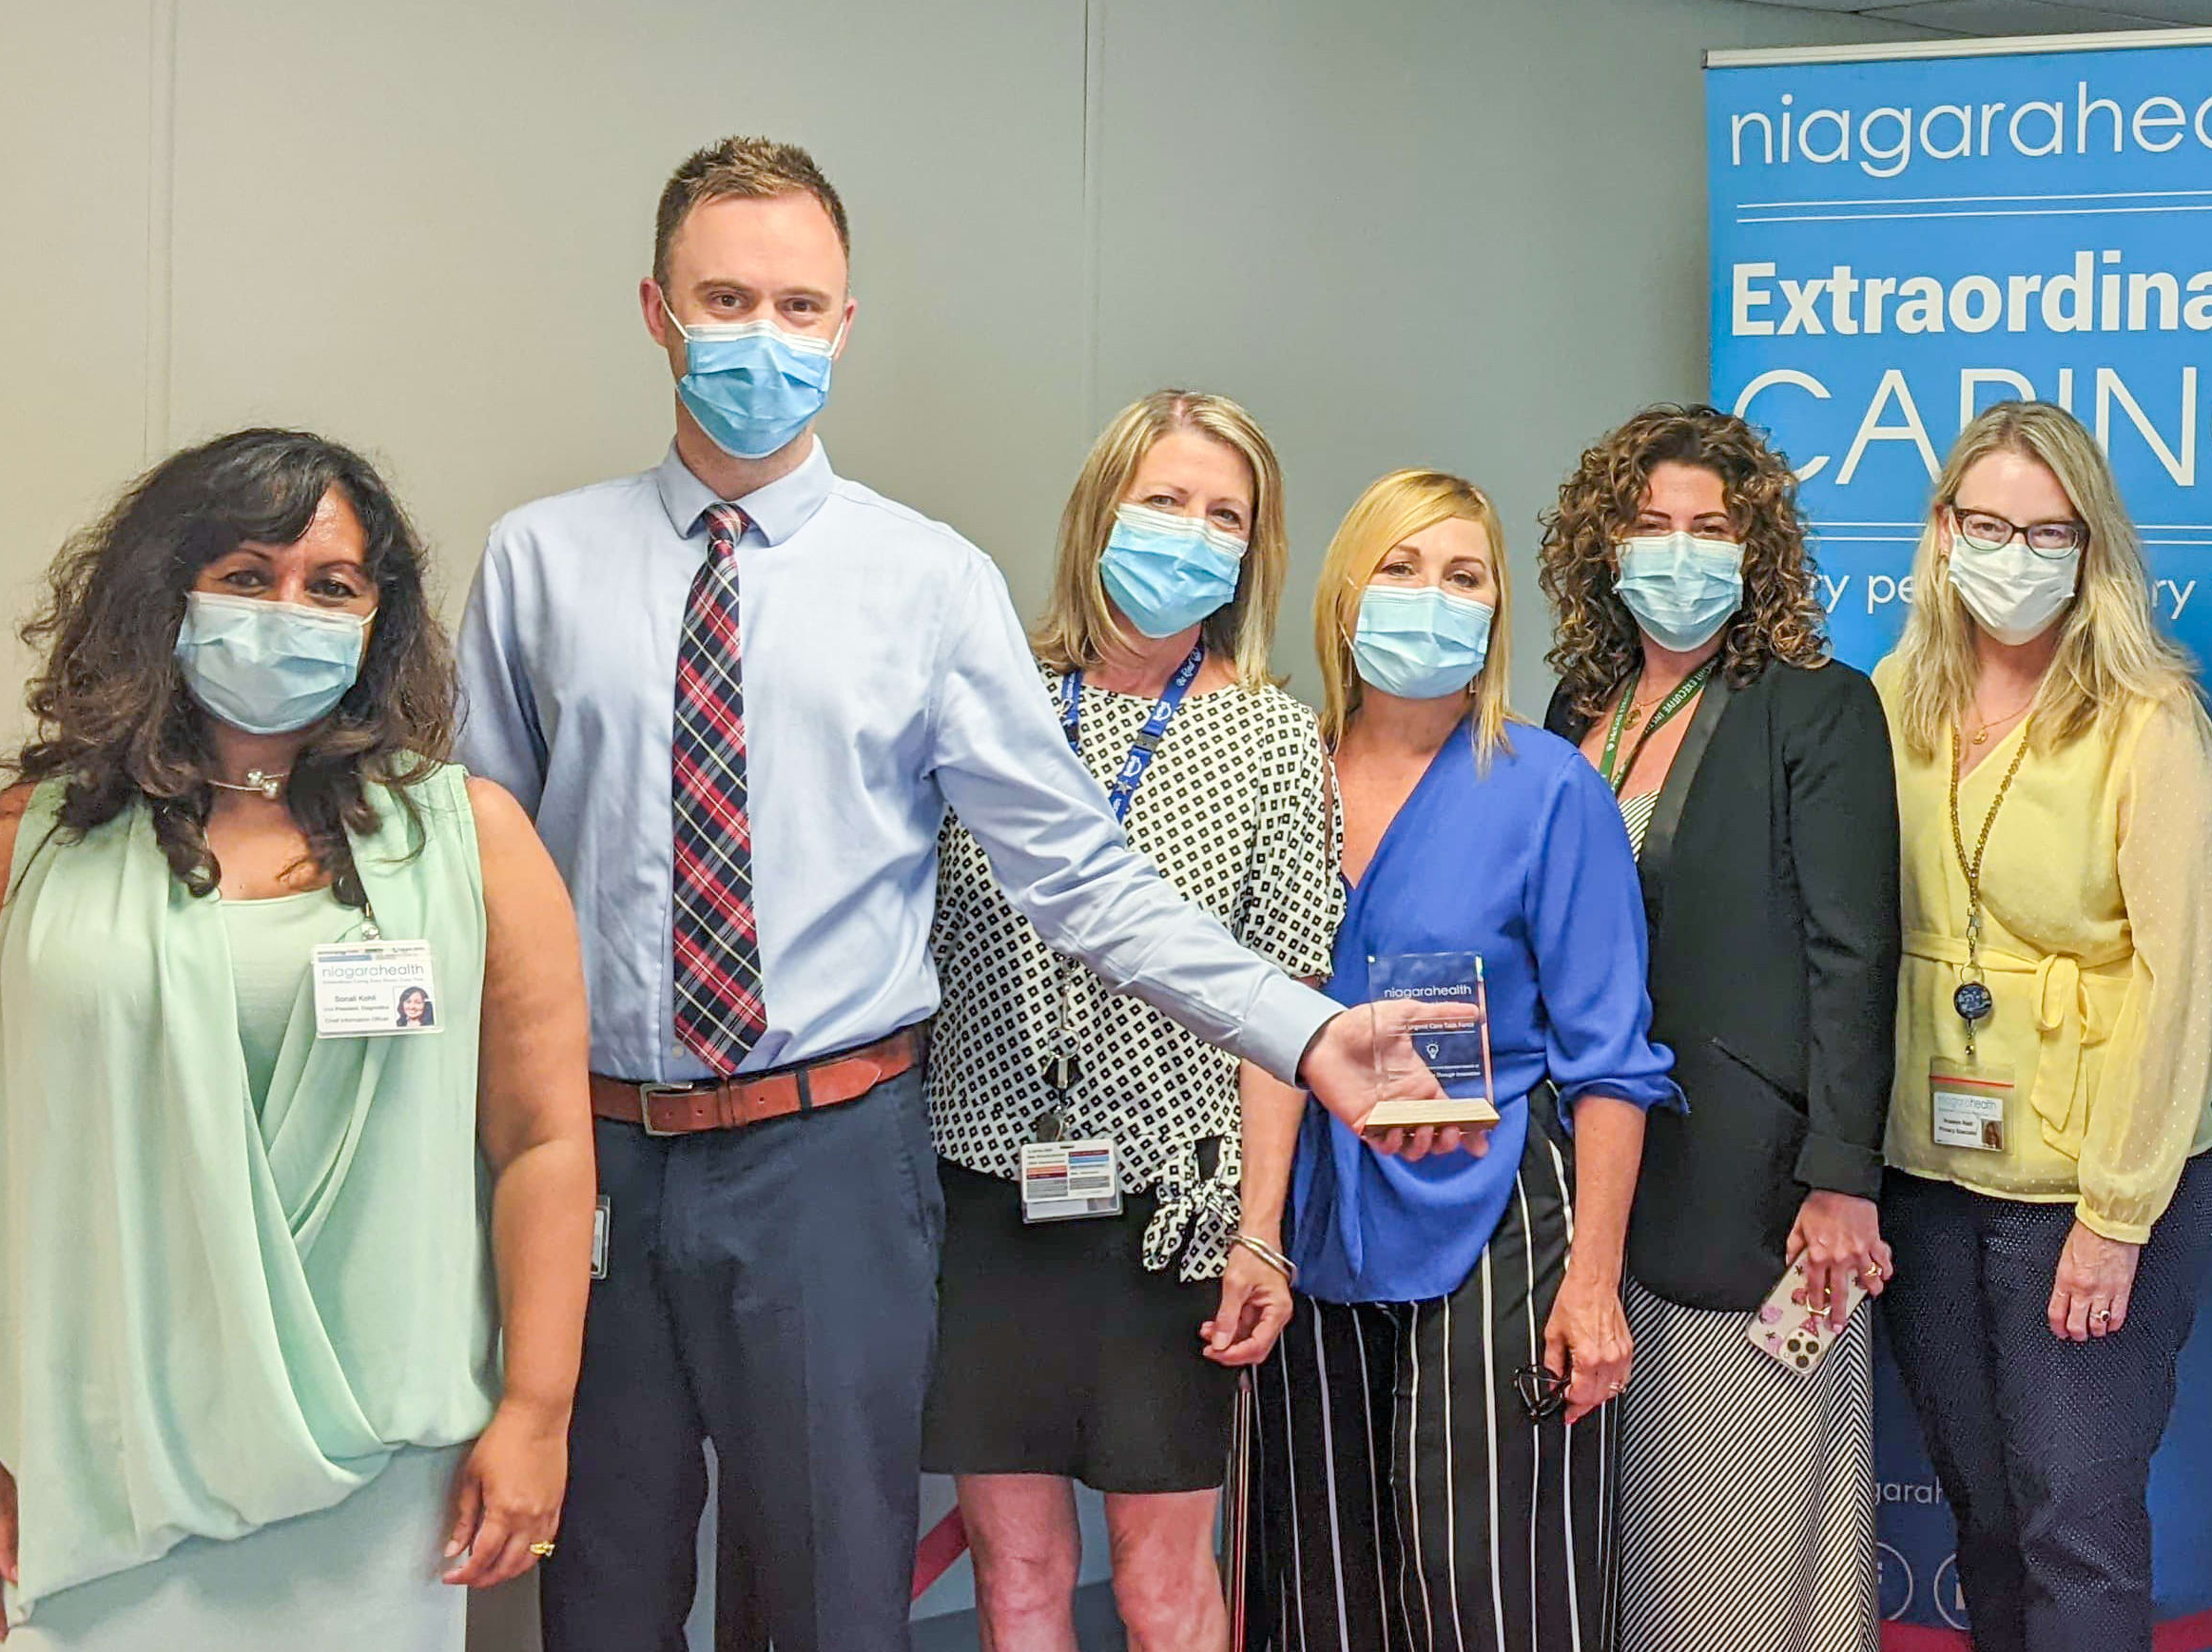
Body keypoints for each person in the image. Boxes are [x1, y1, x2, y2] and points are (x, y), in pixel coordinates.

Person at [456, 138, 1464, 1652]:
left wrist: (1301, 1030)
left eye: (799, 305)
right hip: (596, 1152)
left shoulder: (925, 582)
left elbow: (1076, 870)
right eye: (725, 298)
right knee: (597, 1574)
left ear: (847, 324)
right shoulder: (540, 563)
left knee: (828, 1594)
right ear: (657, 312)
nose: (762, 337)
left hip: (832, 1156)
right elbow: (484, 885)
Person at [0, 430, 595, 1648]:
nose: (289, 611)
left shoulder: (471, 843)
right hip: (85, 1469)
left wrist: (539, 1406)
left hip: (376, 1476)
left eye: (331, 586)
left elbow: (541, 1143)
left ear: (379, 620)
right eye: (246, 575)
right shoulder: (30, 845)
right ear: (165, 592)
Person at [917, 390, 1335, 1652]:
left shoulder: (1271, 736)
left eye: (1225, 514)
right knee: (1021, 1574)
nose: (1192, 532)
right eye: (1165, 500)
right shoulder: (985, 704)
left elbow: (1284, 1000)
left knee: (1162, 1586)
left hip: (1176, 1216)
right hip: (985, 1197)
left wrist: (1261, 1234)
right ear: (1102, 510)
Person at [1236, 470, 1678, 1652]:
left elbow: (1613, 1065)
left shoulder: (1550, 791)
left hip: (1500, 1225)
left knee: (1493, 1583)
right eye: (1400, 568)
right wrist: (1257, 1230)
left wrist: (1594, 1283)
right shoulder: (1284, 774)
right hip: (1310, 1220)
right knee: (1321, 1581)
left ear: (1495, 613)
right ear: (1343, 597)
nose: (1430, 596)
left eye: (1463, 575)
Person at [1535, 405, 1897, 1652]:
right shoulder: (1581, 701)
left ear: (1757, 551)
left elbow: (1857, 954)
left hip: (1750, 1187)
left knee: (1737, 1525)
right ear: (1605, 545)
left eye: (1711, 527)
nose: (1680, 552)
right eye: (1651, 525)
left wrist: (1842, 1176)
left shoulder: (1818, 706)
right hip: (1585, 1177)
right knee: (1621, 1539)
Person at [1871, 402, 2212, 1652]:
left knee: (2076, 1527)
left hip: (2090, 1188)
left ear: (2092, 545)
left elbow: (2184, 982)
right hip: (1927, 1175)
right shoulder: (1895, 701)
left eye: (2046, 529)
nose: (2012, 553)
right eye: (1987, 523)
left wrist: (2117, 1212)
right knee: (1984, 1515)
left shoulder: (2151, 717)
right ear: (1942, 532)